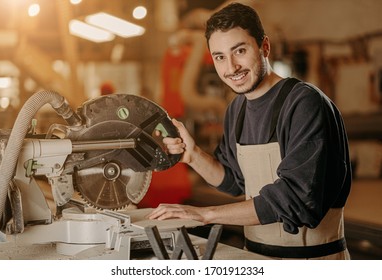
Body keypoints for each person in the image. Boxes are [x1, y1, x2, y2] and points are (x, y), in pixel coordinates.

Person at [148, 2, 352, 260]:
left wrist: (205, 214)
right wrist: (194, 155)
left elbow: (296, 199)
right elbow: (234, 181)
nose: (231, 67)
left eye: (240, 51)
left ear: (264, 46)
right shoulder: (237, 109)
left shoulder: (304, 104)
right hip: (255, 259)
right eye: (220, 57)